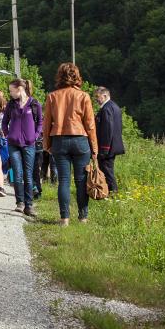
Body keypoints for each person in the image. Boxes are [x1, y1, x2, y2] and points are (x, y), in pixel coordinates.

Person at [42, 62, 99, 226]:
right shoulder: (83, 96)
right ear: (77, 76)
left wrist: (47, 145)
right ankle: (83, 218)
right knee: (81, 180)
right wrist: (94, 148)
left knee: (64, 180)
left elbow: (47, 124)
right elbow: (90, 125)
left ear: (59, 76)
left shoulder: (52, 96)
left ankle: (64, 218)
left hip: (59, 140)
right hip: (80, 140)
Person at [2, 78, 42, 217]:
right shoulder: (11, 105)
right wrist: (8, 135)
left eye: (12, 91)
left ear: (20, 89)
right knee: (17, 175)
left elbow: (40, 123)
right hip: (13, 144)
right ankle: (20, 203)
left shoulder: (34, 104)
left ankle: (29, 205)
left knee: (28, 175)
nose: (10, 93)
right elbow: (4, 122)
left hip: (29, 144)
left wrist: (35, 136)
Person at [94, 86, 125, 195]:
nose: (96, 99)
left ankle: (113, 193)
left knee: (107, 172)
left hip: (107, 147)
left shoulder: (106, 108)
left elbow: (107, 130)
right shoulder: (114, 106)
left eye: (98, 97)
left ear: (105, 95)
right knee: (108, 171)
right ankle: (109, 193)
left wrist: (104, 149)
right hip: (113, 145)